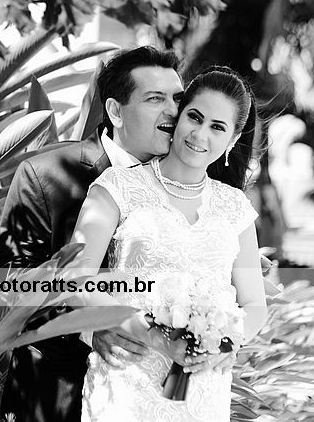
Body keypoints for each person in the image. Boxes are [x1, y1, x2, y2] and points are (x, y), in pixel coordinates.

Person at [0, 46, 192, 422]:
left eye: (177, 99)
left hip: (153, 400)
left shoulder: (188, 184)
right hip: (58, 397)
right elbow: (13, 285)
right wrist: (89, 325)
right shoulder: (45, 175)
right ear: (115, 111)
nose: (173, 110)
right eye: (155, 99)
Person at [73, 66, 268, 421]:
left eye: (218, 127)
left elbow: (255, 304)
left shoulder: (235, 207)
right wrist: (155, 337)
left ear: (234, 138)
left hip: (204, 393)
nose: (200, 134)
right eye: (195, 117)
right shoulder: (118, 187)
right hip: (126, 386)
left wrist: (228, 340)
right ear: (179, 116)